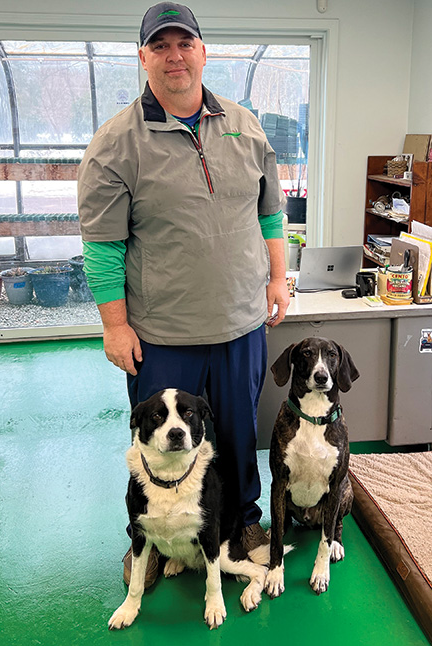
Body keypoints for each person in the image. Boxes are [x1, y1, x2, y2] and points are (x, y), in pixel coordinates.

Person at [77, 1, 290, 587]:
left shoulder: (244, 125)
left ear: (203, 50)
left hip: (241, 321)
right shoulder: (116, 144)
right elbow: (102, 247)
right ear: (143, 57)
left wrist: (278, 276)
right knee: (158, 444)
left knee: (240, 431)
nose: (175, 56)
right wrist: (115, 326)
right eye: (161, 46)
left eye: (185, 44)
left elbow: (270, 212)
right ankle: (148, 538)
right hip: (164, 333)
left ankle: (245, 523)